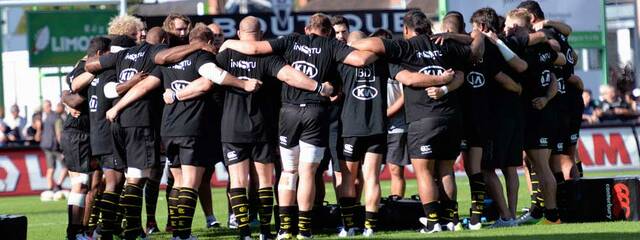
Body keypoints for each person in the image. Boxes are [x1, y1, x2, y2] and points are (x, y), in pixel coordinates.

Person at [220, 13, 378, 239]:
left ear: (307, 29)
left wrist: (228, 43)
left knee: (288, 171)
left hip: (289, 113)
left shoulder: (290, 40)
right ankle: (305, 230)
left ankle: (284, 230)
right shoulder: (332, 45)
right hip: (315, 113)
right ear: (328, 32)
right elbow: (361, 60)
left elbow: (255, 49)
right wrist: (385, 49)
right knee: (307, 174)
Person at [214, 16, 334, 240]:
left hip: (231, 127)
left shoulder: (224, 55)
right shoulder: (269, 58)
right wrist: (318, 87)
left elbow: (209, 81)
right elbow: (289, 76)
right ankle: (267, 232)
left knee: (238, 181)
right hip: (263, 127)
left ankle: (244, 233)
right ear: (260, 36)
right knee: (265, 181)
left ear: (239, 34)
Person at [350, 9, 469, 234]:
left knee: (424, 172)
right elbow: (465, 64)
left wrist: (438, 81)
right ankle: (451, 220)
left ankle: (433, 222)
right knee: (446, 170)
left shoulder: (404, 47)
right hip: (451, 117)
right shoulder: (446, 44)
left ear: (406, 30)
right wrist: (445, 86)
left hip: (423, 120)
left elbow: (407, 75)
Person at [85, 14, 164, 240]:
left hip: (108, 128)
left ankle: (114, 229)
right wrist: (131, 83)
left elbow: (87, 71)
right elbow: (109, 90)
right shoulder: (121, 58)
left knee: (115, 183)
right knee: (120, 182)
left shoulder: (105, 61)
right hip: (117, 125)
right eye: (134, 33)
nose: (139, 36)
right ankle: (109, 229)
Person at [504, 9, 566, 225]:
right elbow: (554, 79)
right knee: (537, 165)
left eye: (510, 26)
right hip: (544, 111)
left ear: (519, 27)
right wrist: (547, 99)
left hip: (535, 114)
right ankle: (541, 210)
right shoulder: (544, 49)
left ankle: (552, 213)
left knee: (541, 167)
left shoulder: (524, 50)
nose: (507, 30)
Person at [61, 37, 110, 240]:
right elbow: (71, 88)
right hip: (76, 133)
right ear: (100, 54)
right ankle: (74, 232)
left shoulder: (87, 67)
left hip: (89, 133)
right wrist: (68, 101)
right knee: (80, 183)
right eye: (108, 54)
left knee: (92, 184)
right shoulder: (84, 67)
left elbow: (67, 90)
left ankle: (84, 229)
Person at [40, 100, 66, 192]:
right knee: (66, 166)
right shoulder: (57, 118)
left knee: (50, 168)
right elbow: (59, 134)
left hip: (46, 146)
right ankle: (58, 186)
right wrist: (63, 149)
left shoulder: (46, 118)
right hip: (55, 147)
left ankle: (50, 188)